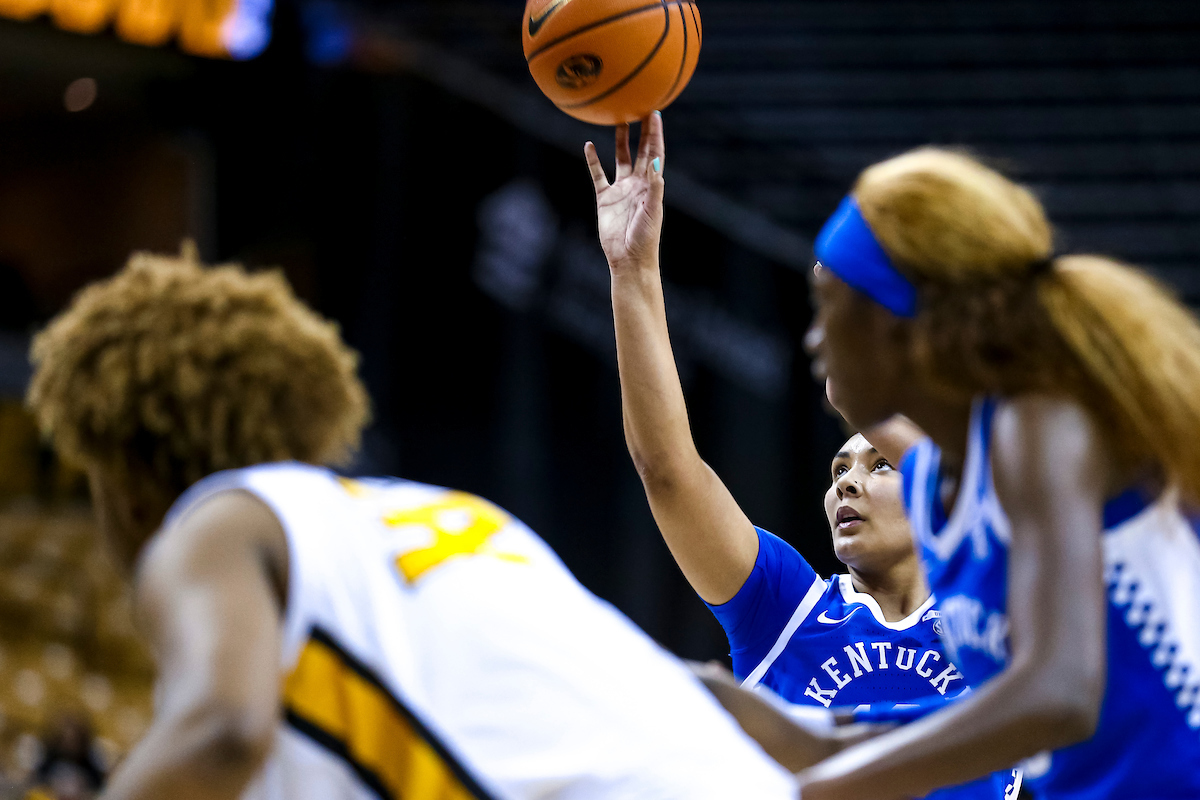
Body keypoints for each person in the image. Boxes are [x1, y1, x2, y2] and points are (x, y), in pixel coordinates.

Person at [25, 247, 804, 800]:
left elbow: (220, 733)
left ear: (121, 477)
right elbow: (696, 691)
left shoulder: (218, 523)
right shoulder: (440, 515)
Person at [585, 115, 1017, 799]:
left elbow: (989, 486)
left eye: (880, 466)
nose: (849, 482)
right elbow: (667, 469)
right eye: (839, 469)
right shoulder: (785, 607)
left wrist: (864, 396)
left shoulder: (1000, 605)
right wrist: (632, 271)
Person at [794, 148, 1200, 798]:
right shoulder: (930, 486)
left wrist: (817, 787)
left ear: (893, 323)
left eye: (827, 306)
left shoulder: (1039, 426)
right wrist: (804, 737)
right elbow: (993, 715)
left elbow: (1060, 694)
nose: (813, 339)